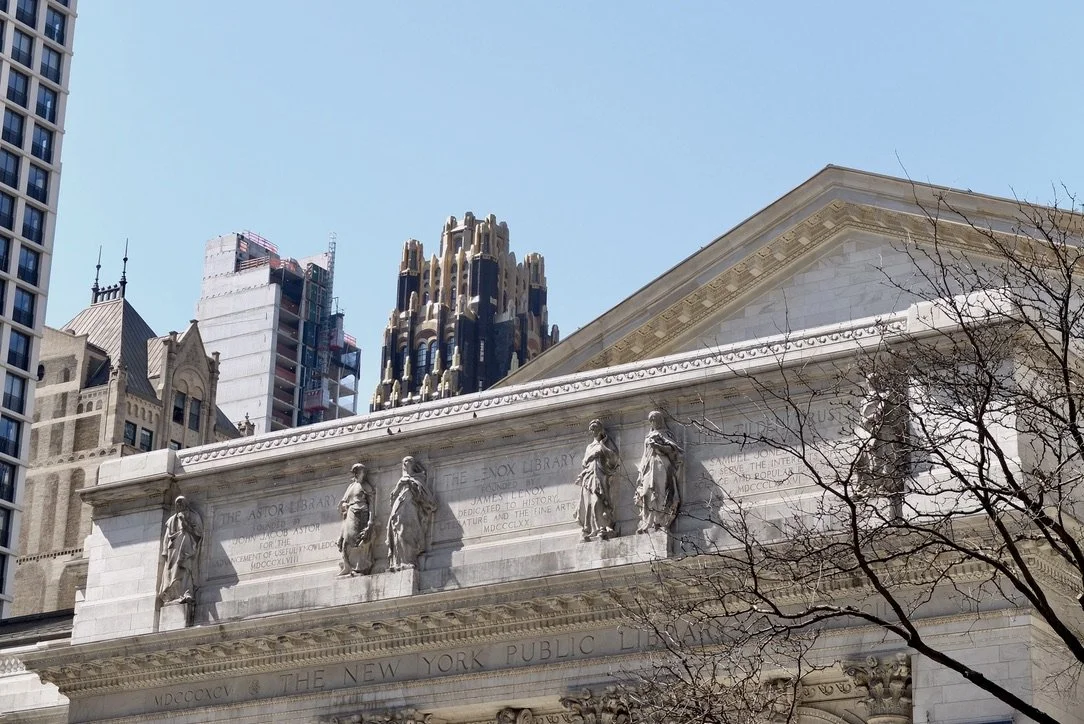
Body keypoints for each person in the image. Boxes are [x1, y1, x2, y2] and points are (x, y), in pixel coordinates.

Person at [386, 456, 438, 571]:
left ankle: (409, 560)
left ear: (414, 465)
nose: (407, 463)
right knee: (399, 531)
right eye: (405, 461)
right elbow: (392, 498)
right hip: (399, 508)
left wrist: (412, 484)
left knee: (407, 531)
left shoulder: (418, 478)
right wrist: (400, 485)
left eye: (410, 461)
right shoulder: (401, 480)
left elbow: (425, 497)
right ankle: (400, 561)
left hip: (411, 507)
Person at [635, 411, 683, 533]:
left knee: (661, 491)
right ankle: (648, 521)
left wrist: (658, 446)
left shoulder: (666, 434)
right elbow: (644, 455)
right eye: (651, 420)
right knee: (646, 493)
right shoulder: (648, 436)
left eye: (655, 419)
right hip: (648, 466)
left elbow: (673, 450)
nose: (653, 422)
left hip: (662, 464)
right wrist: (641, 472)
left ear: (660, 420)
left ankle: (660, 521)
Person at [575, 419, 620, 541]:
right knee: (589, 504)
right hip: (589, 477)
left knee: (597, 501)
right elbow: (584, 462)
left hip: (600, 476)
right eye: (592, 429)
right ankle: (591, 528)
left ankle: (603, 527)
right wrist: (589, 458)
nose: (593, 431)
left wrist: (601, 450)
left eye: (595, 428)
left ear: (600, 430)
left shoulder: (605, 444)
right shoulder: (589, 446)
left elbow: (614, 459)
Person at [159, 495, 203, 604]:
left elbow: (198, 533)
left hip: (188, 549)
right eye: (178, 503)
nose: (180, 505)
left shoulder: (193, 516)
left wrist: (185, 524)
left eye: (182, 502)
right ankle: (174, 594)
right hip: (173, 550)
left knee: (186, 568)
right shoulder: (171, 520)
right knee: (173, 571)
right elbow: (166, 538)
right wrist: (165, 551)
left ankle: (187, 592)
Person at [336, 463, 375, 576]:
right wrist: (344, 505)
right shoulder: (351, 486)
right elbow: (344, 501)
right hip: (351, 513)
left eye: (364, 472)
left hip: (362, 513)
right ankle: (347, 566)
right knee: (347, 539)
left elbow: (372, 504)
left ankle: (358, 568)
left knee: (359, 540)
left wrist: (371, 521)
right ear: (356, 473)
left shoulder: (366, 486)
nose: (364, 474)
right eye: (362, 472)